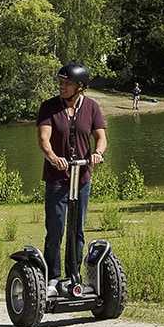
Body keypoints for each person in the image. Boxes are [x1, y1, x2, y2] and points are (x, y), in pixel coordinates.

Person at [37, 62, 107, 284]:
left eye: (67, 83)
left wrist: (97, 153)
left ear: (80, 86)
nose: (62, 86)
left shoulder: (92, 107)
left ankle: (73, 276)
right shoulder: (49, 107)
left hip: (82, 178)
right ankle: (53, 277)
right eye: (61, 82)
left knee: (77, 230)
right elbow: (43, 140)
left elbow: (101, 137)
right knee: (56, 229)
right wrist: (53, 157)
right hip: (57, 179)